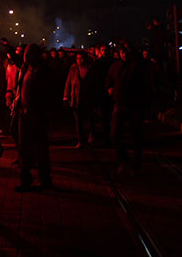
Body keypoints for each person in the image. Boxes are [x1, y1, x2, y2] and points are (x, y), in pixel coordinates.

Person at [106, 39, 148, 174]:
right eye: (121, 52)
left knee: (137, 136)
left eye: (126, 52)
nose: (124, 55)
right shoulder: (115, 66)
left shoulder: (136, 65)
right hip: (119, 104)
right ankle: (124, 160)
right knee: (114, 134)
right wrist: (109, 88)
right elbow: (108, 79)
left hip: (135, 105)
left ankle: (136, 165)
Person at [14, 44, 53, 190]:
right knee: (24, 148)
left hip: (37, 114)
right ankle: (25, 179)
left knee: (41, 148)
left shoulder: (43, 71)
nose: (25, 56)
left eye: (28, 53)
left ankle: (45, 179)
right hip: (23, 113)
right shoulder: (26, 68)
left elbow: (48, 93)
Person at [63, 52, 98, 148]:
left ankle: (92, 135)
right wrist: (66, 96)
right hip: (76, 97)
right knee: (78, 120)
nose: (79, 60)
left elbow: (95, 84)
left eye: (81, 58)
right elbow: (68, 82)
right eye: (77, 58)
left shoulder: (90, 69)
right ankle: (81, 140)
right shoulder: (73, 68)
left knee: (90, 118)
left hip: (88, 97)